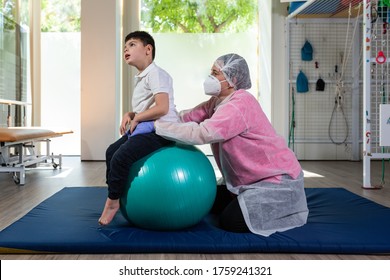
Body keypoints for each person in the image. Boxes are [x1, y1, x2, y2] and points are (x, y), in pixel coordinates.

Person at [155, 53, 308, 236]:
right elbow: (186, 117)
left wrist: (158, 127)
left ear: (232, 79)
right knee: (207, 200)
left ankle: (283, 207)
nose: (209, 77)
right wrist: (151, 117)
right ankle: (240, 198)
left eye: (215, 73)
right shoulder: (217, 102)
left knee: (230, 222)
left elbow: (203, 133)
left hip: (277, 181)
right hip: (250, 180)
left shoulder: (239, 104)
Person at [99, 31, 178, 226]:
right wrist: (132, 114)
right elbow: (146, 107)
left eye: (132, 44)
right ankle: (117, 192)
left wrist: (138, 117)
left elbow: (162, 108)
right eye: (125, 46)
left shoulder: (157, 74)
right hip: (147, 126)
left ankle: (112, 203)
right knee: (111, 152)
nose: (126, 48)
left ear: (148, 50)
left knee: (120, 157)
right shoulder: (143, 76)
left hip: (160, 130)